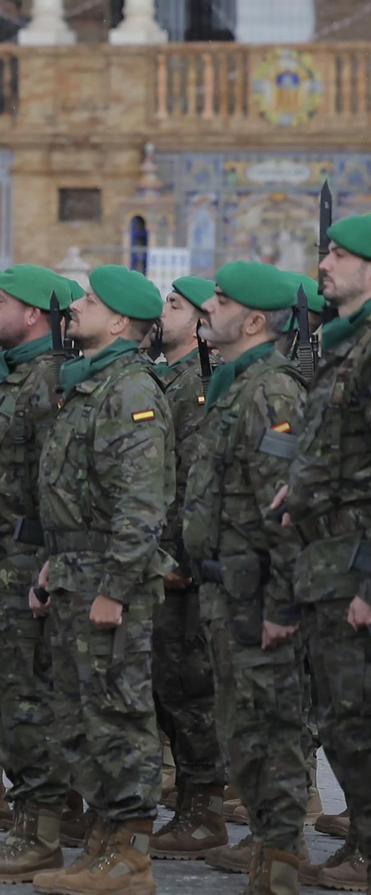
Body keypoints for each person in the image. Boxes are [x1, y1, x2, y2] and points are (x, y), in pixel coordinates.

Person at [31, 265, 172, 894]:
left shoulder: (130, 390)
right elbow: (72, 495)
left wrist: (116, 587)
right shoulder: (91, 384)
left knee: (118, 714)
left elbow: (139, 504)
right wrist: (54, 562)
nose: (75, 308)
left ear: (119, 321)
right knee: (81, 716)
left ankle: (131, 853)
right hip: (74, 570)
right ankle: (101, 837)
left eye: (88, 301)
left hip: (109, 580)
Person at [181, 261, 310, 894]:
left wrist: (282, 606)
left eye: (222, 300)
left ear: (255, 320)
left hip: (258, 595)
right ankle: (266, 848)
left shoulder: (270, 392)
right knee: (240, 729)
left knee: (270, 729)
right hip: (226, 592)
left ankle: (281, 862)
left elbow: (286, 512)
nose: (208, 306)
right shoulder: (235, 386)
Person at [0, 265, 76, 883]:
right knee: (5, 703)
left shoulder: (47, 380)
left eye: (0, 300)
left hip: (28, 561)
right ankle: (28, 825)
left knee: (30, 702)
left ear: (33, 314)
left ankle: (43, 831)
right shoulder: (10, 378)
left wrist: (48, 563)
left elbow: (55, 485)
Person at [280, 212, 371, 890]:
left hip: (355, 561)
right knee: (342, 714)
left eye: (339, 255)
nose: (324, 266)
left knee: (357, 711)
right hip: (325, 559)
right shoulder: (345, 346)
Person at [147, 276, 229, 860]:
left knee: (190, 689)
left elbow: (190, 480)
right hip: (159, 560)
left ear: (200, 322)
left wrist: (176, 555)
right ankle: (189, 802)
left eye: (174, 306)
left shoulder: (197, 385)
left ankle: (203, 809)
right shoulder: (167, 378)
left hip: (183, 567)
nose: (162, 312)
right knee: (166, 686)